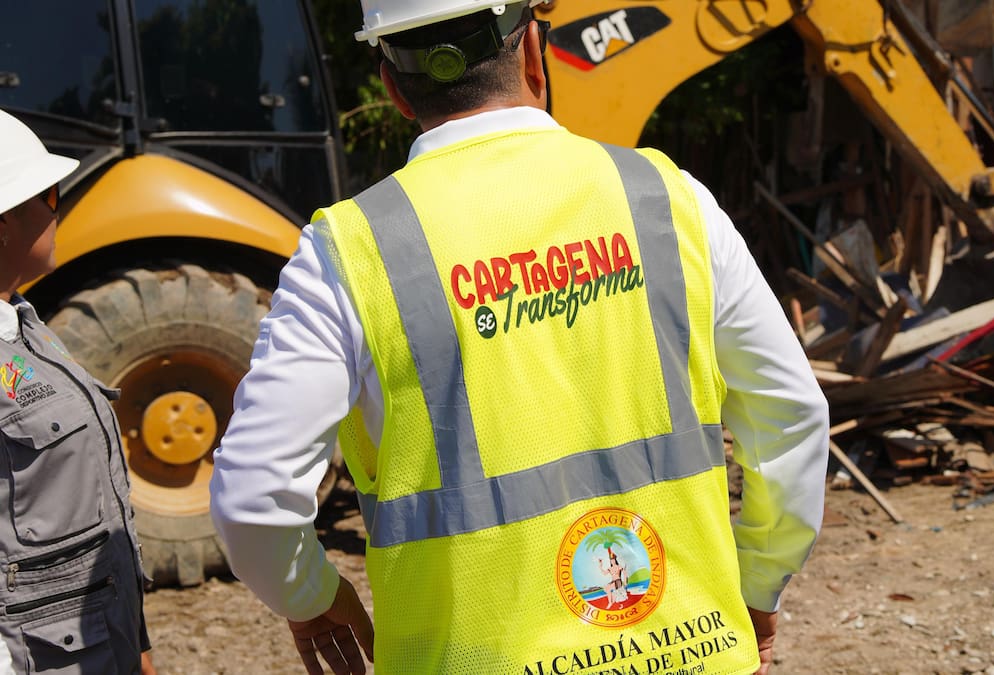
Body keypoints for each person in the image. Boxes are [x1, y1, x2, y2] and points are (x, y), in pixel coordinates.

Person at [208, 1, 829, 673]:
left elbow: (253, 499)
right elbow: (791, 416)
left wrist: (311, 595)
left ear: (391, 88)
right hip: (687, 651)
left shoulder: (347, 253)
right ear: (534, 51)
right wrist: (758, 581)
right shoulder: (671, 199)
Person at [0, 111, 155, 673]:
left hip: (95, 642)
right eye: (49, 196)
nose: (58, 210)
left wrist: (135, 645)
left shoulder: (27, 329)